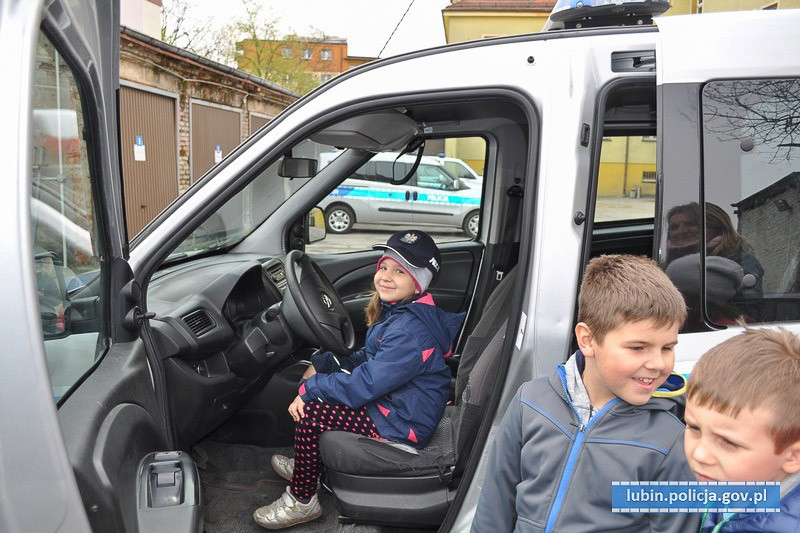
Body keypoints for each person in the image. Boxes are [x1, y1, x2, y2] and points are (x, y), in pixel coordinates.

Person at [253, 230, 464, 529]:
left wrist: (313, 388)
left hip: (403, 424)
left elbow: (365, 384)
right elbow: (368, 358)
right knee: (322, 385)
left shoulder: (410, 332)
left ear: (418, 284)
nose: (387, 276)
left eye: (401, 272)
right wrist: (324, 364)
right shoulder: (398, 314)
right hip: (394, 404)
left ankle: (302, 500)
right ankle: (307, 466)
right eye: (384, 267)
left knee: (313, 412)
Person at [472, 254, 699, 532]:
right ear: (588, 340)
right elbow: (496, 503)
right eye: (637, 348)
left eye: (667, 348)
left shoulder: (670, 441)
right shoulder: (530, 402)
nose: (657, 364)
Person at [684, 327, 800, 532]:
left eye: (728, 442)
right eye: (694, 427)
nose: (699, 454)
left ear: (793, 456)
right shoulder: (731, 481)